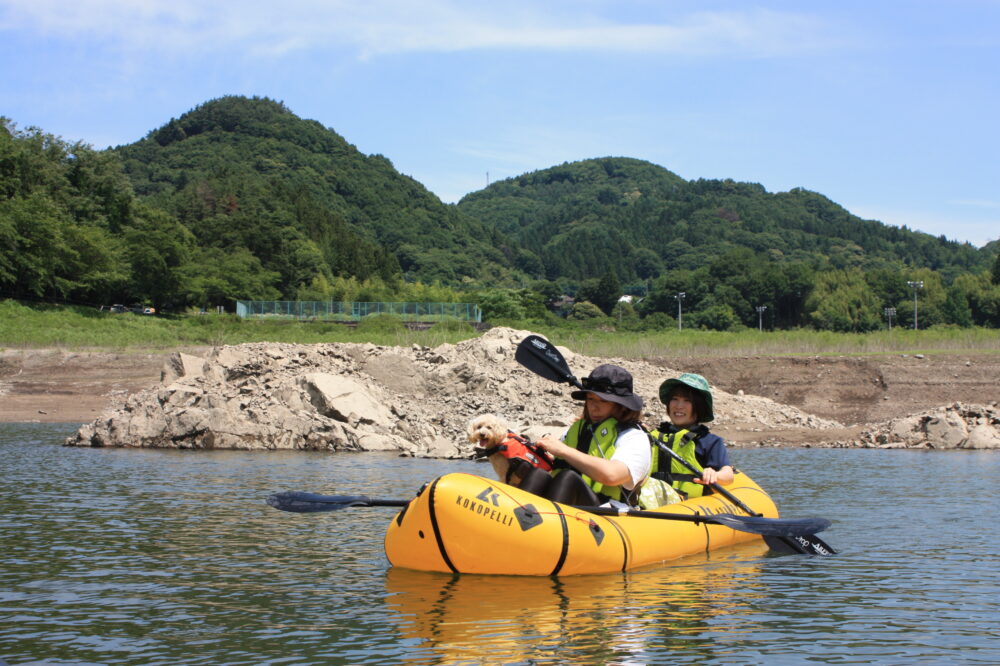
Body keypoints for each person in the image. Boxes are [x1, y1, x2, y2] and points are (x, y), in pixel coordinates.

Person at [518, 364, 651, 507]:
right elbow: (554, 462)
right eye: (591, 399)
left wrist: (563, 450)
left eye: (603, 401)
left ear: (623, 406)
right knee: (538, 474)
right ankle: (519, 514)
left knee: (568, 478)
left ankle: (538, 517)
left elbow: (612, 475)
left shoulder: (635, 437)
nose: (593, 407)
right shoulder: (579, 429)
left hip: (609, 512)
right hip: (569, 506)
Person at [647, 373, 733, 500]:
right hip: (652, 504)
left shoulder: (710, 441)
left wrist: (714, 475)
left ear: (699, 406)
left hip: (692, 505)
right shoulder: (652, 436)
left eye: (687, 401)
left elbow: (728, 475)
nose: (679, 406)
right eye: (675, 399)